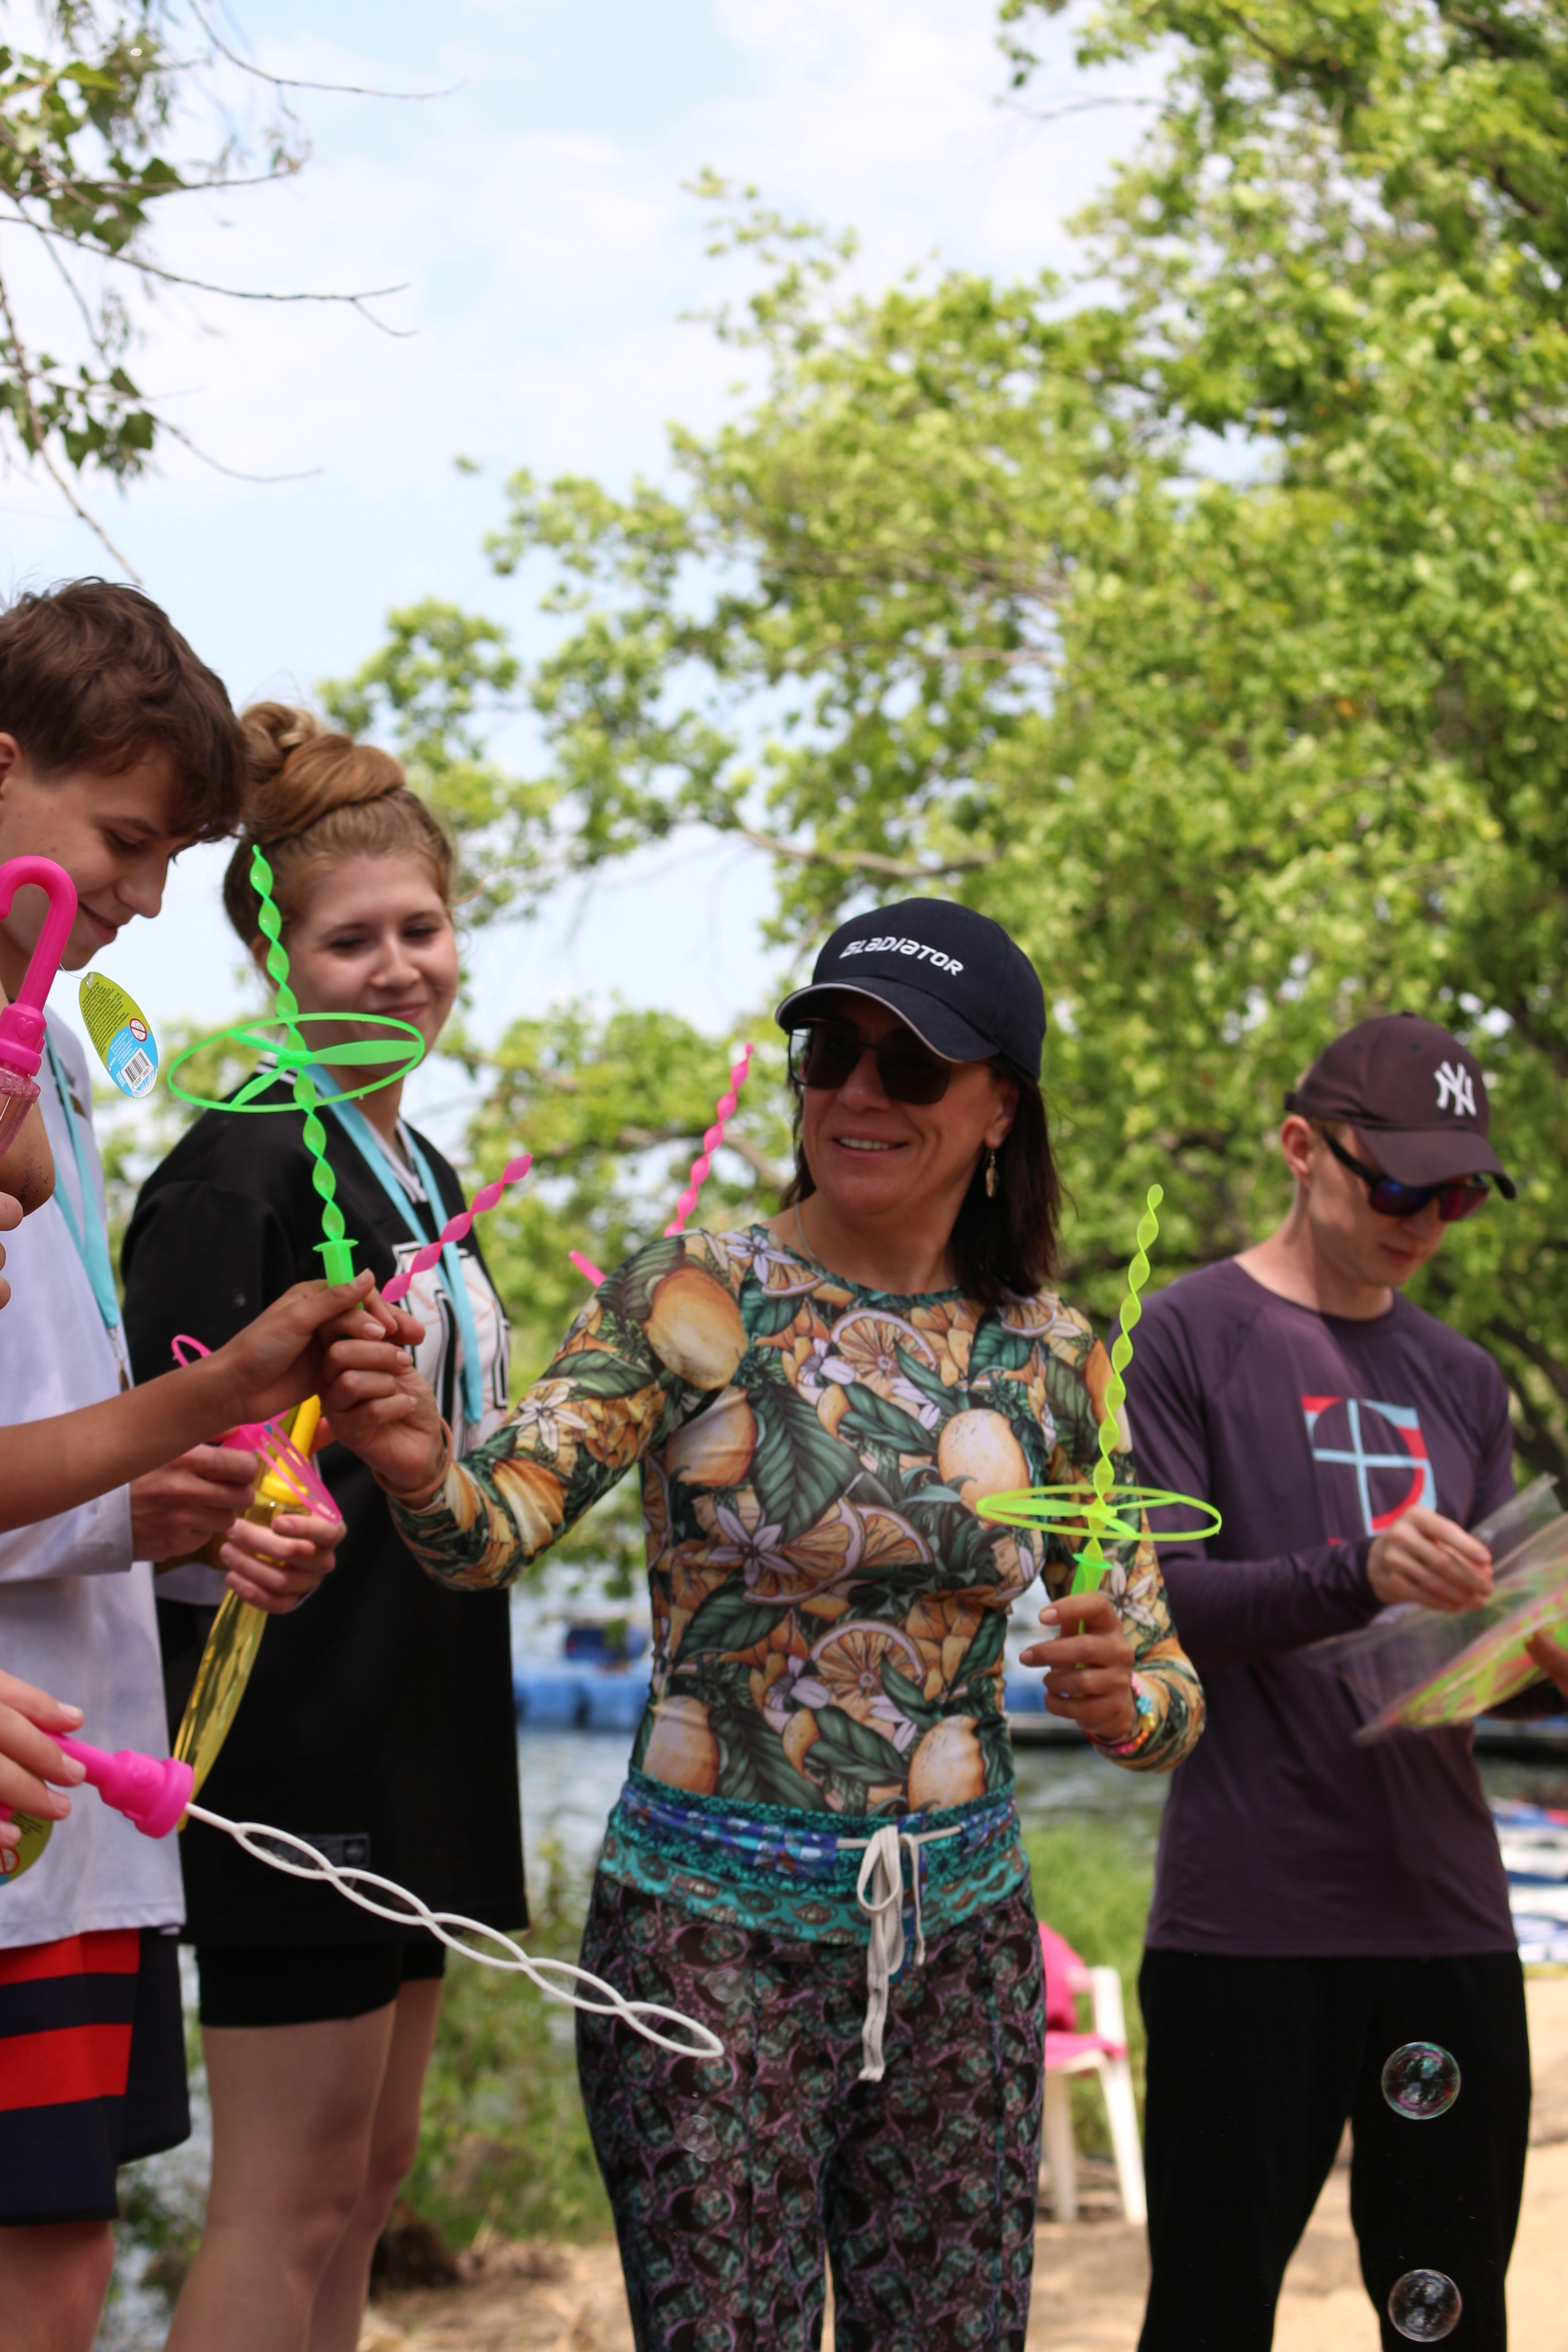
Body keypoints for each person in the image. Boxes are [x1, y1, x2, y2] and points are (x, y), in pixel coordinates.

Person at [318, 898, 1206, 2352]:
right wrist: (413, 1456)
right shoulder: (693, 1293)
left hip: (959, 1953)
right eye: (828, 1053)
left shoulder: (1056, 1359)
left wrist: (1120, 1700)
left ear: (998, 1110)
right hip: (697, 1948)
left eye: (908, 1067)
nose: (856, 1092)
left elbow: (1167, 1696)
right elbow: (486, 1535)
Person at [121, 705, 524, 2352]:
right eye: (350, 941)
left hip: (423, 1725)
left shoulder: (419, 1166)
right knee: (281, 2199)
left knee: (369, 2185)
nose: (397, 968)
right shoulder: (237, 1173)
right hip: (289, 1744)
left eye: (420, 930)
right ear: (275, 961)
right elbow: (152, 1502)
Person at [0, 584, 343, 2352]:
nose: (140, 898)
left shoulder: (50, 1048)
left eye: (166, 856)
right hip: (27, 1786)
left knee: (65, 2266)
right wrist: (220, 1398)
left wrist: (155, 1514)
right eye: (124, 840)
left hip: (71, 1779)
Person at [1123, 1012, 1558, 2352]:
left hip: (1444, 1916)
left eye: (1462, 1191)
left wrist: (1539, 1660)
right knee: (1208, 2315)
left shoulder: (1461, 1378)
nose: (1428, 1217)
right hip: (1245, 1920)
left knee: (1447, 2320)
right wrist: (1356, 1569)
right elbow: (1163, 1608)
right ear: (1301, 1148)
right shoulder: (1181, 1336)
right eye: (1398, 1183)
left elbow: (1469, 1663)